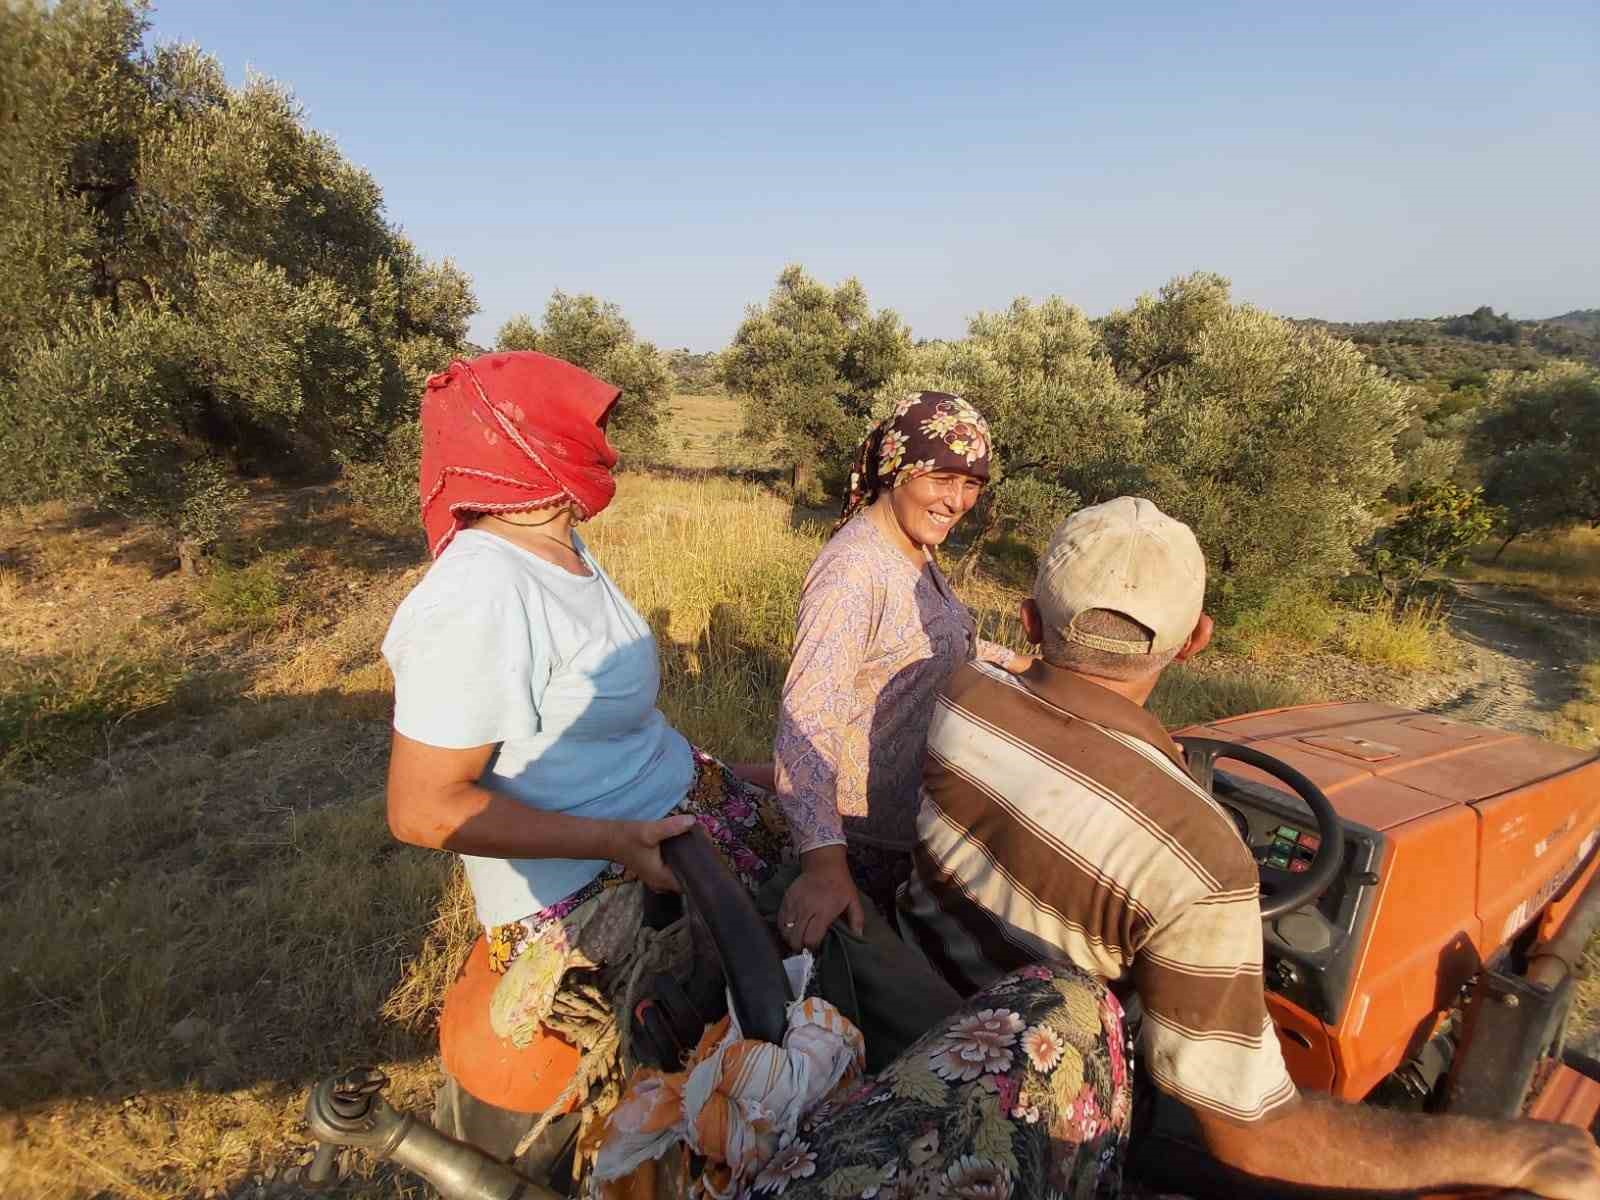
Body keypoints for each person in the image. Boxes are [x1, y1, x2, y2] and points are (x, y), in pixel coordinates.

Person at [897, 496, 1600, 1198]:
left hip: (921, 995)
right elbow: (1258, 1132)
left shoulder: (965, 695)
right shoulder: (1200, 856)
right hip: (1035, 1097)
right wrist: (1516, 1155)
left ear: (1026, 619)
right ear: (1197, 639)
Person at [380, 351, 791, 1171]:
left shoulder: (557, 543)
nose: (604, 443)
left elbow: (612, 732)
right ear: (519, 442)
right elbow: (423, 808)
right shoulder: (479, 592)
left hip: (673, 820)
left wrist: (741, 776)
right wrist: (614, 839)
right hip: (598, 884)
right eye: (585, 426)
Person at [773, 391, 1028, 950]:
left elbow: (930, 642)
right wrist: (823, 867)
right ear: (898, 468)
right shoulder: (854, 572)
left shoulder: (914, 549)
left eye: (972, 484)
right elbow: (806, 721)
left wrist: (1019, 666)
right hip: (857, 843)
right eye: (942, 478)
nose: (957, 500)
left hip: (905, 831)